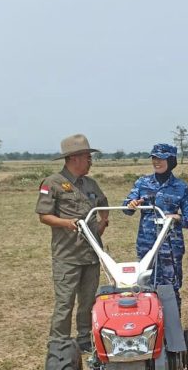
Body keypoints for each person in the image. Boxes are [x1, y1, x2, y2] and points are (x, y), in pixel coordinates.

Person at [35, 134, 109, 353]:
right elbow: (44, 216)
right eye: (88, 157)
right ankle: (59, 343)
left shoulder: (91, 183)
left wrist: (103, 222)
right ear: (74, 158)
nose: (91, 161)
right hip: (67, 255)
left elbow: (103, 203)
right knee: (65, 302)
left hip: (92, 254)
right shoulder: (52, 183)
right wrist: (66, 223)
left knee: (88, 301)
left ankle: (84, 339)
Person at [123, 143, 188, 311]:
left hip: (171, 247)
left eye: (161, 159)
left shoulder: (181, 187)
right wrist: (131, 204)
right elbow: (126, 209)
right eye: (154, 158)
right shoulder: (142, 183)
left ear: (171, 161)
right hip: (146, 246)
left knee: (171, 288)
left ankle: (172, 325)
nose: (156, 162)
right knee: (145, 286)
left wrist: (177, 218)